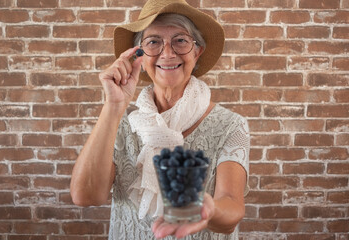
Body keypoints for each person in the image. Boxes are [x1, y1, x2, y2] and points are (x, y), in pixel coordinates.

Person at [70, 0, 250, 239]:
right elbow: (86, 196)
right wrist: (113, 105)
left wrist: (209, 209)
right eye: (153, 42)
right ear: (140, 57)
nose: (167, 53)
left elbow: (231, 209)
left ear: (197, 52)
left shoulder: (230, 125)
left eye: (181, 41)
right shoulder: (120, 123)